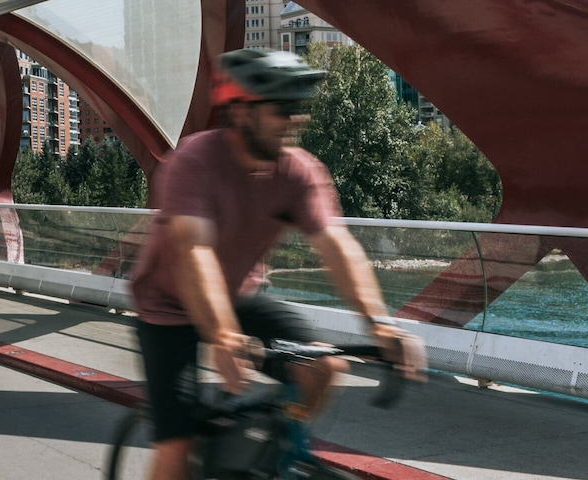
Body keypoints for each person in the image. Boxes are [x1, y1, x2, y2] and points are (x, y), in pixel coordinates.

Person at [129, 49, 427, 480]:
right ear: (241, 112)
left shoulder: (298, 171)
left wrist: (378, 322)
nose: (295, 120)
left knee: (324, 367)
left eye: (298, 108)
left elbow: (336, 245)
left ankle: (271, 452)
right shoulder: (193, 163)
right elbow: (195, 252)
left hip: (236, 297)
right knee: (177, 443)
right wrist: (224, 336)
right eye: (282, 108)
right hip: (167, 309)